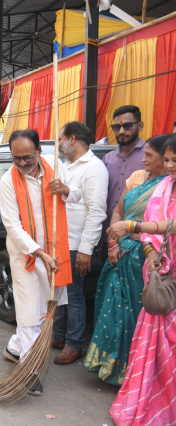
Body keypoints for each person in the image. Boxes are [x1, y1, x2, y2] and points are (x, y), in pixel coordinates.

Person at [83, 134, 170, 385]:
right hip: (118, 253)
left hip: (144, 258)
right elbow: (119, 210)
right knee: (110, 309)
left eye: (149, 156)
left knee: (136, 314)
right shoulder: (140, 180)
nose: (143, 159)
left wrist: (127, 232)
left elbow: (161, 228)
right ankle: (108, 367)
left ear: (166, 161)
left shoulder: (167, 189)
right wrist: (113, 241)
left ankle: (132, 373)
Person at [0, 129, 77, 396]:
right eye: (16, 158)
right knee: (30, 312)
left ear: (39, 151)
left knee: (45, 310)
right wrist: (37, 251)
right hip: (26, 255)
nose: (22, 163)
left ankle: (15, 348)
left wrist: (64, 189)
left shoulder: (55, 166)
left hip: (56, 254)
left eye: (27, 157)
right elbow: (12, 224)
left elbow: (78, 196)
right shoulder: (8, 180)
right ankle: (29, 370)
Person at [106, 134, 176, 425]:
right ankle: (148, 400)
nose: (170, 166)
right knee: (151, 343)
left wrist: (130, 225)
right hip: (158, 275)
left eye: (174, 160)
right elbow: (152, 232)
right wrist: (149, 250)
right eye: (169, 160)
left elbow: (169, 225)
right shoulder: (164, 186)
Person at [51, 121, 109, 365]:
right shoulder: (65, 165)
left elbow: (97, 212)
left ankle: (74, 344)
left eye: (60, 139)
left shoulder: (94, 168)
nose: (59, 145)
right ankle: (58, 335)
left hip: (77, 243)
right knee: (59, 290)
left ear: (72, 139)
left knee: (74, 294)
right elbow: (68, 195)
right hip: (60, 240)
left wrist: (86, 250)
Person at [101, 105, 146, 257]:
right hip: (109, 234)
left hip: (140, 237)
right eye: (117, 127)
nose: (121, 132)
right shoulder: (107, 159)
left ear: (140, 126)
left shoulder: (150, 157)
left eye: (127, 126)